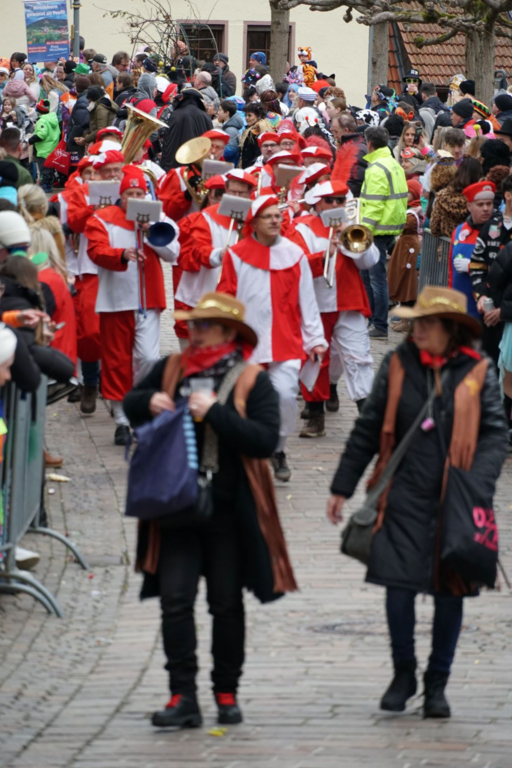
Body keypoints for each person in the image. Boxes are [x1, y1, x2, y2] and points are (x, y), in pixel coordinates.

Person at [327, 285, 507, 719]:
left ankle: (437, 683)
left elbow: (494, 435)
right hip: (402, 492)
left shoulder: (478, 370)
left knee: (450, 591)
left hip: (457, 497)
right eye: (415, 322)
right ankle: (403, 672)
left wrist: (477, 483)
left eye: (427, 323)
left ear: (450, 329)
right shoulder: (397, 364)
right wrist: (342, 486)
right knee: (399, 583)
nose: (417, 329)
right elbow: (369, 427)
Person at [123, 291, 297, 729]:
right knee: (175, 601)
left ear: (229, 333)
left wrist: (216, 413)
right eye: (193, 324)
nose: (195, 332)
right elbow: (131, 403)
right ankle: (182, 695)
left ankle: (226, 693)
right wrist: (148, 403)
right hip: (175, 507)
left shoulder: (251, 379)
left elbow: (264, 439)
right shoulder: (171, 367)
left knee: (226, 604)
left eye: (205, 325)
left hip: (229, 512)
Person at [218, 194, 327, 482]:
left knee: (284, 396)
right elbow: (225, 296)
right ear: (253, 223)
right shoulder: (236, 254)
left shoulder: (295, 254)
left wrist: (315, 339)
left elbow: (308, 301)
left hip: (285, 341)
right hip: (247, 344)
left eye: (278, 216)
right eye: (268, 217)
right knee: (244, 402)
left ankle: (277, 448)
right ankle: (246, 454)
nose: (275, 220)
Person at [84, 164, 179, 445]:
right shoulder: (102, 218)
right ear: (121, 196)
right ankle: (122, 420)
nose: (135, 198)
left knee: (148, 358)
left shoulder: (159, 216)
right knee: (116, 361)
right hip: (116, 300)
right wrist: (121, 254)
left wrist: (151, 231)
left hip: (150, 300)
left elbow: (173, 253)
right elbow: (96, 251)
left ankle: (137, 404)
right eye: (130, 194)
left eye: (140, 194)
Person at [288, 180, 378, 436]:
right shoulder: (302, 228)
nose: (336, 205)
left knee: (359, 358)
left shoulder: (352, 226)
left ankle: (368, 420)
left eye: (341, 200)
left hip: (348, 303)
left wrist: (349, 235)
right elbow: (295, 265)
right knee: (315, 359)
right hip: (314, 304)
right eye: (330, 200)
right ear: (317, 204)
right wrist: (324, 254)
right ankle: (315, 415)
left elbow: (370, 262)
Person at [359, 126, 408, 339]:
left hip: (376, 230)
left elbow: (374, 204)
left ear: (369, 143)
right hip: (389, 227)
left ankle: (379, 324)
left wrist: (364, 231)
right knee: (370, 276)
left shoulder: (377, 168)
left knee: (375, 279)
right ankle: (373, 321)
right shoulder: (393, 163)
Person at [470, 175, 512, 366]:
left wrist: (503, 311)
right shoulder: (491, 226)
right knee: (488, 366)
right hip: (490, 311)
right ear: (508, 196)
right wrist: (481, 297)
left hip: (508, 315)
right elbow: (477, 265)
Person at [388, 178, 423, 329]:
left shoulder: (412, 213)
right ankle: (403, 319)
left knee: (407, 282)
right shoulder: (408, 209)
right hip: (404, 247)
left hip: (409, 249)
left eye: (408, 192)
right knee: (401, 281)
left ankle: (407, 321)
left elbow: (401, 225)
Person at [430, 157, 484, 239]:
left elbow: (434, 228)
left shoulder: (442, 196)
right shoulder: (479, 199)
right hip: (470, 243)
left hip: (448, 244)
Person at [160, 89, 213, 172]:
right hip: (199, 166)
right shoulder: (206, 116)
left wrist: (165, 166)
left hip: (176, 166)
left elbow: (168, 140)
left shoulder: (176, 114)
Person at [28, 99, 60, 193]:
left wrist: (30, 140)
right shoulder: (53, 119)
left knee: (44, 169)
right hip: (52, 147)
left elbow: (42, 134)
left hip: (44, 149)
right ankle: (49, 185)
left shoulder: (42, 120)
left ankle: (45, 186)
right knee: (49, 169)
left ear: (38, 111)